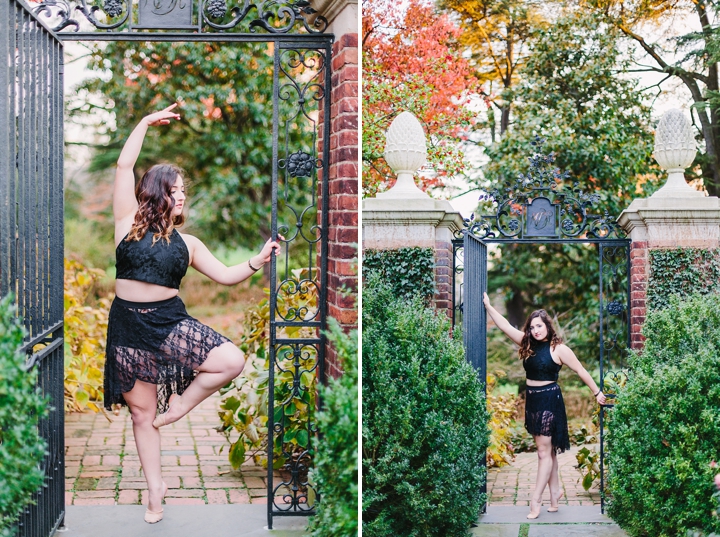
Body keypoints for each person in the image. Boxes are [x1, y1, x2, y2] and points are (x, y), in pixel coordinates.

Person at [102, 104, 281, 524]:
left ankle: (180, 406)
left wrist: (256, 261)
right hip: (127, 324)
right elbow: (124, 164)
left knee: (231, 360)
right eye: (176, 188)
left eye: (184, 190)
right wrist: (144, 122)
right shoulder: (126, 221)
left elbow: (225, 276)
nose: (182, 195)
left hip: (167, 323)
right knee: (143, 415)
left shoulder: (190, 243)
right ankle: (154, 490)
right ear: (156, 191)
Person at [482, 292, 606, 519]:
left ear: (547, 326)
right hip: (533, 400)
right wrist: (489, 307)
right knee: (549, 452)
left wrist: (596, 392)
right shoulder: (526, 344)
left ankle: (536, 499)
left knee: (542, 452)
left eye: (539, 326)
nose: (535, 330)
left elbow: (580, 370)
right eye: (532, 327)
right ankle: (555, 492)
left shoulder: (559, 349)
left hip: (550, 400)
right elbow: (505, 326)